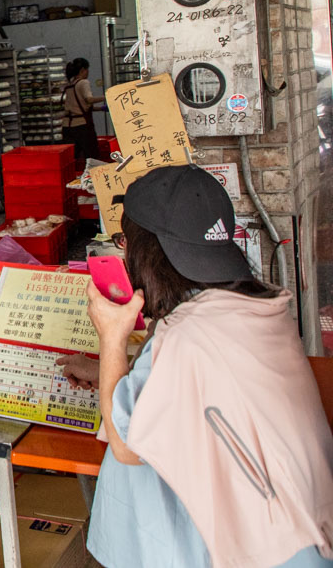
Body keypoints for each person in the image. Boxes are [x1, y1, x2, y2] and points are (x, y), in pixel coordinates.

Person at [85, 165, 333, 568]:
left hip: (272, 551)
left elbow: (126, 446)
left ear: (150, 254)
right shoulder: (258, 306)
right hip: (306, 529)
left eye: (124, 242)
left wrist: (111, 337)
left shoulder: (188, 336)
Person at [62, 58, 105, 163]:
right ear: (83, 70)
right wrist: (107, 96)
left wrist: (100, 108)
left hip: (67, 127)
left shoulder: (69, 85)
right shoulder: (83, 83)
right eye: (87, 70)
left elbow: (77, 107)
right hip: (82, 127)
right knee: (91, 157)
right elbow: (88, 99)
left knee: (73, 159)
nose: (88, 72)